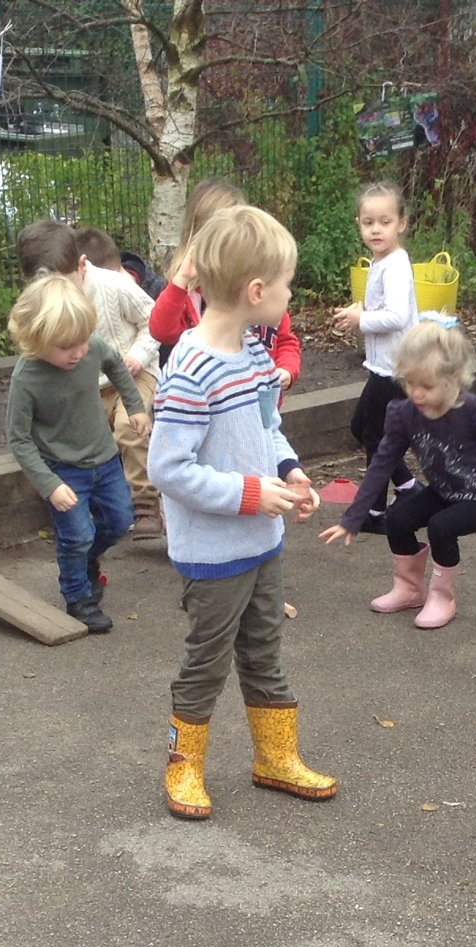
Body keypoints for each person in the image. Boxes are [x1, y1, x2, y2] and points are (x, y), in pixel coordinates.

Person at [147, 205, 334, 820]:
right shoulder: (190, 370)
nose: (289, 295)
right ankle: (184, 766)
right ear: (257, 291)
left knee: (265, 652)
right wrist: (253, 494)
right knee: (206, 661)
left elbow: (267, 428)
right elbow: (168, 470)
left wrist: (290, 471)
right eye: (286, 285)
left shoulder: (255, 352)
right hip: (213, 552)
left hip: (262, 542)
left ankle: (274, 758)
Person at [317, 318, 476, 629]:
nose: (417, 394)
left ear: (454, 379)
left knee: (441, 526)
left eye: (426, 386)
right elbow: (381, 465)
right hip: (442, 490)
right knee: (397, 519)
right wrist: (353, 519)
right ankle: (409, 589)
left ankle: (442, 597)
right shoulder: (404, 414)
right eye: (410, 384)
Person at [4, 273, 149, 635]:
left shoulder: (91, 348)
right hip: (63, 469)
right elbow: (18, 439)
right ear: (37, 340)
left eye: (83, 340)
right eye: (66, 346)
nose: (79, 352)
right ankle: (78, 598)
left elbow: (116, 363)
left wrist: (134, 406)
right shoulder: (27, 379)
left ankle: (86, 561)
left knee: (119, 521)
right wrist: (49, 485)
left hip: (104, 458)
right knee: (75, 535)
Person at [148, 179, 303, 391]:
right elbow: (162, 331)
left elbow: (284, 339)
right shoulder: (187, 295)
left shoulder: (264, 291)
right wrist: (181, 280)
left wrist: (287, 368)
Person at [331, 182, 418, 521]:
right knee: (362, 428)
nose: (376, 229)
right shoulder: (380, 261)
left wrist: (362, 318)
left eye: (384, 221)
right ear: (359, 224)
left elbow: (396, 316)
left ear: (402, 223)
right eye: (369, 223)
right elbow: (386, 307)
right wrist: (361, 309)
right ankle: (408, 485)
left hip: (395, 367)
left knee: (375, 436)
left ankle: (376, 509)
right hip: (382, 365)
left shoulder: (395, 264)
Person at [74, 226, 166, 540]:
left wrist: (139, 356)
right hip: (94, 384)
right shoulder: (60, 297)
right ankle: (97, 505)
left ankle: (145, 500)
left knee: (130, 427)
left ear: (82, 266)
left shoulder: (115, 286)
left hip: (136, 373)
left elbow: (154, 320)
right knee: (87, 437)